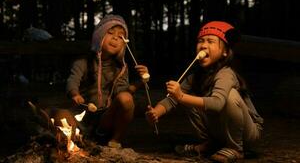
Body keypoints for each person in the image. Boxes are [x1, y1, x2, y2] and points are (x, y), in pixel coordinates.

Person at [145, 21, 263, 162]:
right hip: (221, 130)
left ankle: (235, 148)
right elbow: (172, 99)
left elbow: (217, 104)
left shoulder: (226, 73)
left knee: (230, 95)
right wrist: (156, 112)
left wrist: (181, 96)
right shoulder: (194, 77)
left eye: (210, 41)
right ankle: (210, 144)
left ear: (225, 52)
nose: (203, 45)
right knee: (190, 98)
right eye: (201, 41)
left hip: (248, 133)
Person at [66, 14, 148, 148]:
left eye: (121, 36)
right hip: (84, 117)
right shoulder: (83, 62)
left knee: (126, 98)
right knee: (61, 115)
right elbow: (72, 80)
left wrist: (140, 81)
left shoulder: (121, 68)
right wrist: (75, 93)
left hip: (106, 118)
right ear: (99, 36)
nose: (115, 37)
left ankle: (115, 140)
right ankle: (83, 138)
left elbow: (122, 94)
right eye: (110, 33)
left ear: (124, 43)